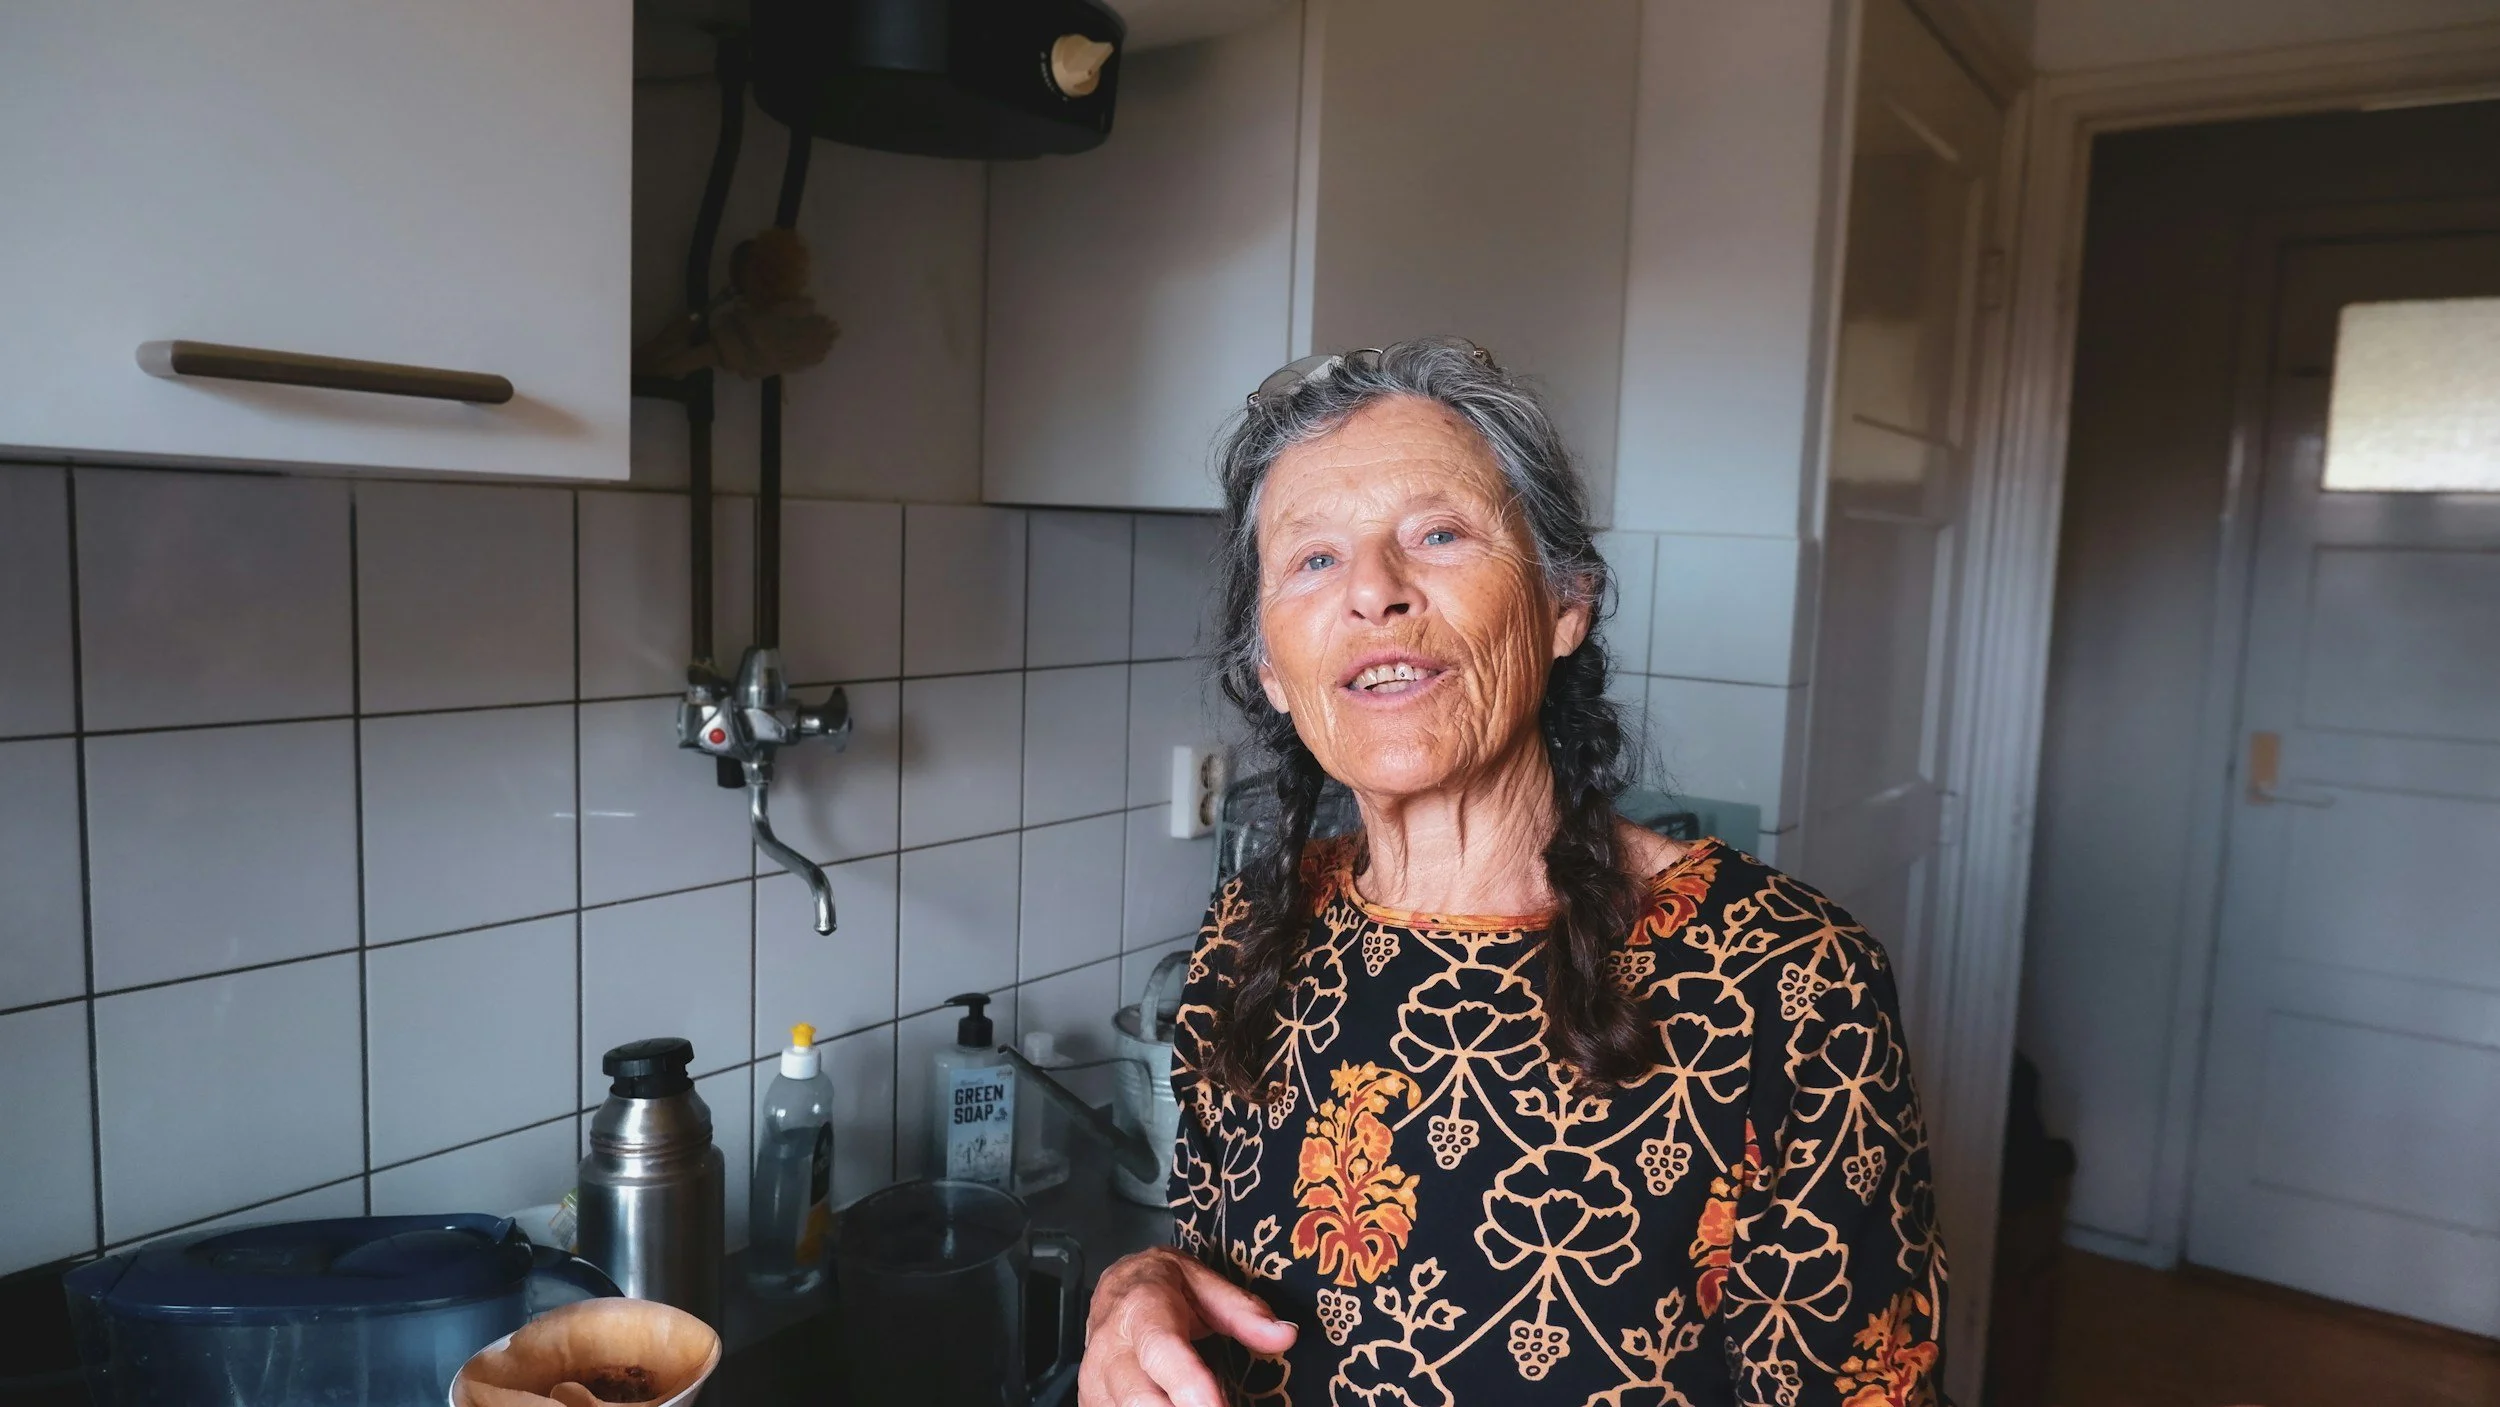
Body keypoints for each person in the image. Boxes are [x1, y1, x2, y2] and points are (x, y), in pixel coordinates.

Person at [1078, 339, 1945, 1407]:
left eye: (1437, 534)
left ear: (1563, 605)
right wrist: (1143, 1277)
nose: (1374, 594)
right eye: (1313, 560)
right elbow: (1215, 1283)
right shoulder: (1256, 932)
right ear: (1272, 671)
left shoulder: (1786, 980)